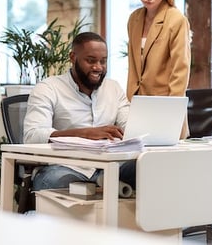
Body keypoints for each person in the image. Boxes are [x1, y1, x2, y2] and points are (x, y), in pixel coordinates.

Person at [23, 32, 135, 191]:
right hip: (67, 167)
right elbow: (32, 136)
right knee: (54, 182)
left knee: (147, 168)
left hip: (110, 165)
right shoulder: (48, 88)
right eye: (90, 61)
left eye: (103, 61)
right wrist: (84, 133)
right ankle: (104, 186)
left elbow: (130, 127)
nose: (98, 67)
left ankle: (104, 185)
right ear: (73, 57)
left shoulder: (113, 88)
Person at [126, 0, 191, 138]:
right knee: (137, 163)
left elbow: (180, 71)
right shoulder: (134, 19)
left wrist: (172, 115)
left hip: (166, 106)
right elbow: (133, 66)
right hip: (139, 106)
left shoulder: (176, 19)